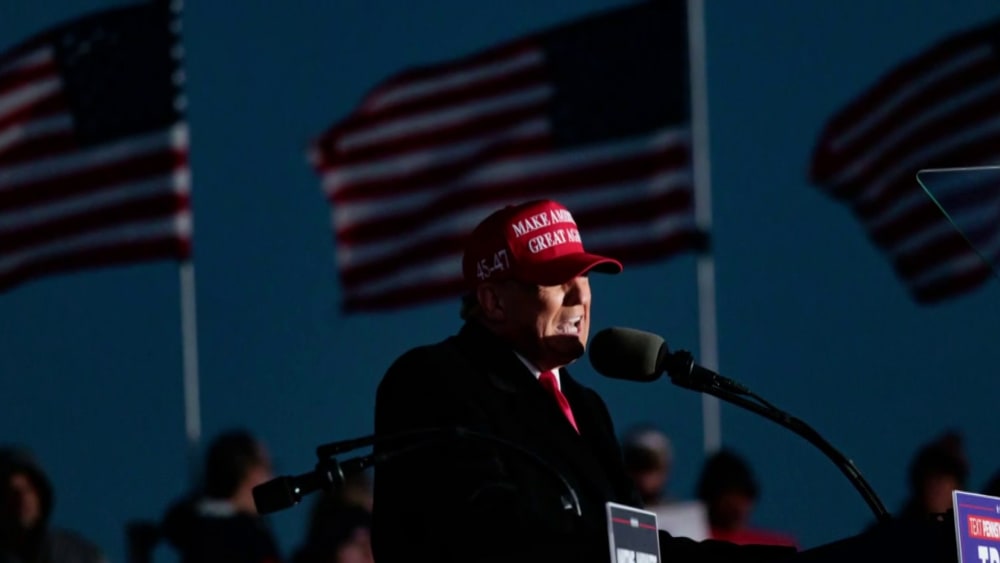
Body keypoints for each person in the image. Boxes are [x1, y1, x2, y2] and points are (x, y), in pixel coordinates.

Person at [371, 199, 798, 563]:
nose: (581, 297)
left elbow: (636, 550)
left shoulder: (587, 408)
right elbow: (493, 530)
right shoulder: (433, 379)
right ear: (494, 301)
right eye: (557, 280)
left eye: (585, 277)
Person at [161, 429, 282, 563]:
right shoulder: (245, 540)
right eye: (267, 467)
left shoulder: (196, 531)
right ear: (244, 471)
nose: (272, 477)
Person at [0, 447, 107, 563]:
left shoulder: (78, 554)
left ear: (40, 496)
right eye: (12, 492)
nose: (22, 498)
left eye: (28, 489)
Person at [695, 449, 796, 547]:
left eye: (745, 495)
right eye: (729, 497)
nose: (738, 506)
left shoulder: (779, 545)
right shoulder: (695, 536)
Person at [896, 431, 967, 521]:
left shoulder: (968, 524)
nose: (937, 488)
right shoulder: (901, 525)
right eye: (932, 480)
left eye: (943, 480)